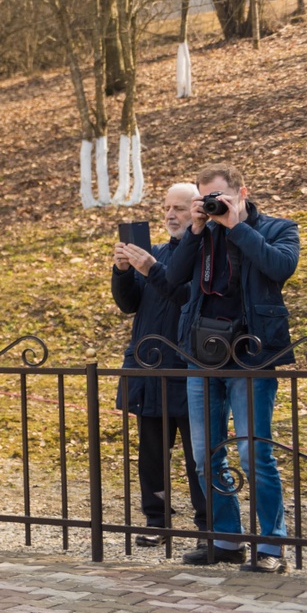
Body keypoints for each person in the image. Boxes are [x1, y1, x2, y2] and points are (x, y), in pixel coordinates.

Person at [167, 163, 301, 573]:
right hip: (202, 354)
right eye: (205, 199)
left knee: (254, 453)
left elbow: (281, 268)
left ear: (242, 192)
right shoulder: (201, 234)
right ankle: (226, 540)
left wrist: (237, 226)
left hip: (252, 354)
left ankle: (271, 547)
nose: (213, 205)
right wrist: (194, 230)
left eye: (219, 197)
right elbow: (173, 278)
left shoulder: (278, 228)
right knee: (205, 455)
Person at [112, 183, 205, 547]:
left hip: (187, 367)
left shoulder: (203, 255)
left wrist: (151, 269)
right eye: (166, 207)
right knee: (151, 454)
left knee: (201, 454)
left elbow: (185, 297)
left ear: (197, 211)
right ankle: (157, 521)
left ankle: (206, 526)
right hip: (148, 367)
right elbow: (128, 304)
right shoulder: (155, 252)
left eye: (179, 208)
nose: (170, 215)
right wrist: (123, 270)